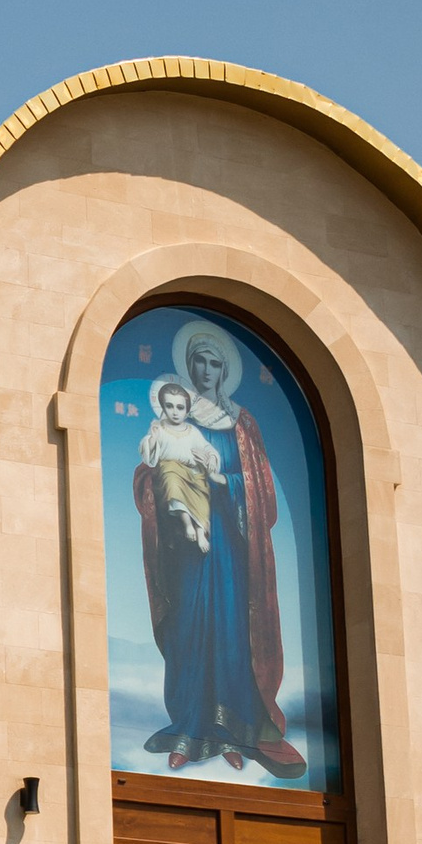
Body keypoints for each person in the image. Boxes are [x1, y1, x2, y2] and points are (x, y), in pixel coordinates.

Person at [131, 319, 309, 778]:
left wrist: (222, 480)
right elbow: (149, 473)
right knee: (188, 629)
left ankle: (234, 732)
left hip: (232, 547)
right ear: (189, 368)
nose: (206, 369)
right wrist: (163, 484)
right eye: (199, 362)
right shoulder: (176, 419)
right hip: (188, 550)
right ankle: (190, 730)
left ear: (224, 370)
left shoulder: (242, 423)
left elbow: (262, 490)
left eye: (214, 363)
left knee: (232, 631)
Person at [137, 381, 220, 552]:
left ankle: (200, 531)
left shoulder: (192, 431)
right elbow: (147, 453)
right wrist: (153, 438)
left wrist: (211, 458)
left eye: (180, 407)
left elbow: (206, 447)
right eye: (170, 406)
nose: (175, 412)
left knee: (203, 494)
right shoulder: (160, 429)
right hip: (170, 471)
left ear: (187, 410)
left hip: (193, 473)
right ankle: (187, 524)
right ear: (163, 407)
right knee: (172, 481)